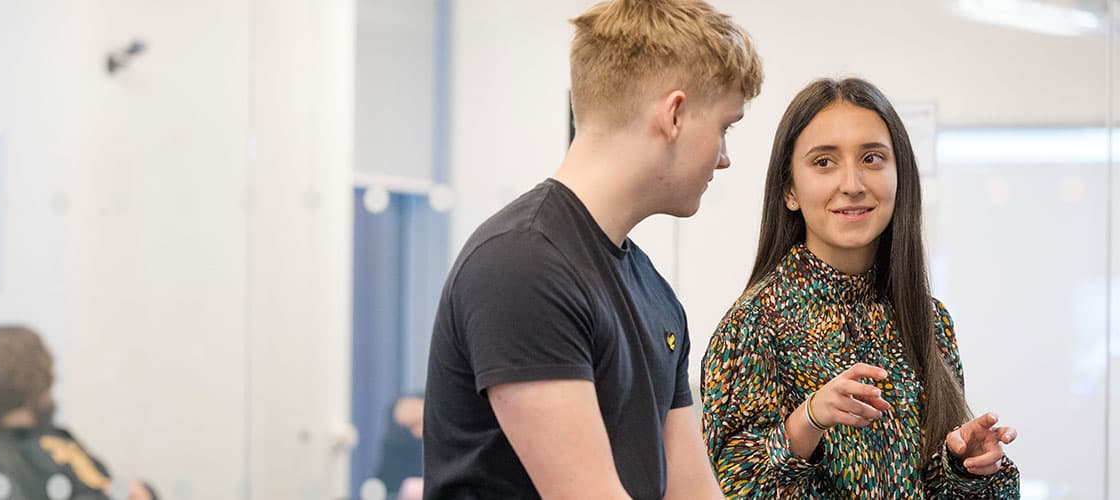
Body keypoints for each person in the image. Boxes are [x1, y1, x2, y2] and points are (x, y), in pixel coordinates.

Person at [422, 0, 763, 498]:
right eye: (725, 128)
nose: (725, 157)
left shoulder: (656, 297)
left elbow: (694, 492)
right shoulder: (522, 265)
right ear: (675, 114)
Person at [701, 77, 1020, 497]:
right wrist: (809, 420)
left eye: (872, 158)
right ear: (789, 190)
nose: (852, 183)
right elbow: (731, 487)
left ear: (899, 175)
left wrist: (966, 468)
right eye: (823, 162)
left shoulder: (930, 320)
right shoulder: (752, 326)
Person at [0, 325, 157, 500]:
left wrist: (141, 492)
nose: (52, 375)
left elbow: (102, 483)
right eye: (43, 367)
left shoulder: (57, 436)